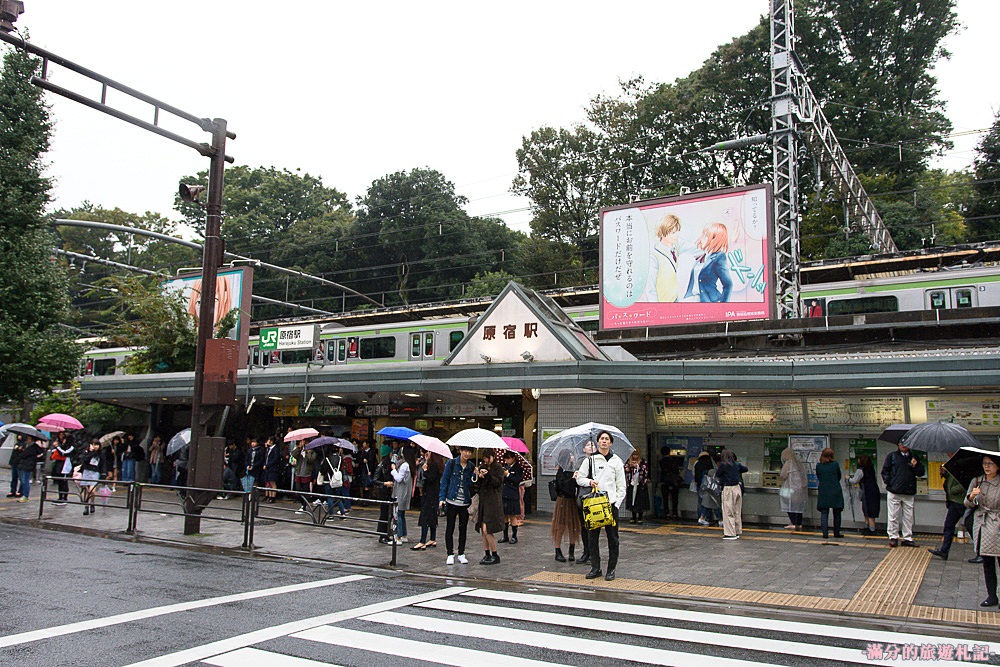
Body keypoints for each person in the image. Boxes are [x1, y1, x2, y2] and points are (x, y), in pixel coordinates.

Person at [576, 431, 627, 581]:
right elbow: (580, 478)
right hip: (594, 504)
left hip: (610, 504)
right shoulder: (590, 460)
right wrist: (589, 482)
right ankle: (595, 568)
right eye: (601, 439)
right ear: (598, 442)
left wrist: (616, 504)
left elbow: (621, 486)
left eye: (607, 439)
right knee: (593, 537)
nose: (604, 441)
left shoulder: (616, 461)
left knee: (613, 538)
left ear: (611, 443)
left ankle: (611, 569)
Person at [965, 453, 1000, 607]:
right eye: (985, 463)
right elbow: (967, 503)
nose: (987, 466)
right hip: (982, 524)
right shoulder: (977, 481)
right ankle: (992, 596)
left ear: (998, 466)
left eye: (990, 463)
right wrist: (972, 496)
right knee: (987, 563)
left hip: (997, 523)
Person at [881, 439, 925, 547]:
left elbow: (920, 473)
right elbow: (885, 471)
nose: (903, 445)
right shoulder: (892, 456)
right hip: (894, 491)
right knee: (893, 515)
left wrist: (916, 465)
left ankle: (907, 537)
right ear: (898, 445)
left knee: (908, 516)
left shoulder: (914, 457)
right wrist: (890, 482)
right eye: (901, 443)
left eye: (906, 443)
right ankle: (893, 537)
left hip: (908, 491)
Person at [929, 454, 970, 561]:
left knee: (969, 527)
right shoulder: (953, 465)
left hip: (960, 502)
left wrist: (952, 491)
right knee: (949, 526)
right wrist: (945, 474)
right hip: (953, 501)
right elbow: (952, 480)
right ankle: (944, 551)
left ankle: (981, 553)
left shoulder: (964, 466)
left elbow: (964, 484)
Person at [439, 445, 475, 564]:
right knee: (450, 528)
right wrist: (442, 498)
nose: (467, 454)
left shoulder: (471, 467)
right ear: (460, 451)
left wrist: (475, 476)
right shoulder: (451, 463)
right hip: (451, 500)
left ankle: (461, 553)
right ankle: (450, 553)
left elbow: (471, 485)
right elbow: (445, 481)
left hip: (464, 502)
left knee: (463, 529)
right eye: (465, 451)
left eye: (469, 451)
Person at [684, 222, 733, 303]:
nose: (703, 237)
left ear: (715, 239)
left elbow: (728, 284)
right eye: (704, 234)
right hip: (693, 298)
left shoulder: (719, 256)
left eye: (707, 235)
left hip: (709, 300)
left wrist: (723, 306)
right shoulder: (702, 255)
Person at [475, 451, 505, 564]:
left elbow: (497, 483)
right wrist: (478, 476)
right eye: (485, 458)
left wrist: (488, 475)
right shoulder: (482, 466)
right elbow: (476, 485)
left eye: (488, 458)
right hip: (483, 501)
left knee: (487, 529)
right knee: (483, 529)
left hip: (493, 502)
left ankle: (495, 554)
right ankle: (487, 553)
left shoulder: (498, 468)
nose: (486, 460)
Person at [551, 449, 581, 562]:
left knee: (573, 526)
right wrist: (573, 480)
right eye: (571, 455)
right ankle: (557, 551)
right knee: (560, 526)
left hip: (572, 500)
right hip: (563, 501)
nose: (573, 457)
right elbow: (563, 486)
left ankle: (571, 551)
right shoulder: (561, 471)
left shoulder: (574, 469)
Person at [412, 450, 443, 550]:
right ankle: (432, 538)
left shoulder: (433, 466)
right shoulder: (438, 465)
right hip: (434, 494)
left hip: (429, 494)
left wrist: (425, 470)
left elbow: (430, 478)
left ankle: (422, 540)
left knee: (425, 517)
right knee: (432, 516)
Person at [648, 214, 682, 302]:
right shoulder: (654, 256)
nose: (676, 235)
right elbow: (650, 287)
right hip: (663, 303)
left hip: (676, 300)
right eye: (673, 233)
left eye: (677, 231)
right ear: (662, 233)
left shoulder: (675, 248)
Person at [575, 439, 598, 566]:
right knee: (583, 526)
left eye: (593, 445)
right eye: (588, 445)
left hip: (595, 497)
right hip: (582, 497)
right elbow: (577, 480)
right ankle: (586, 552)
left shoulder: (599, 461)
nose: (591, 447)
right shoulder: (580, 461)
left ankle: (593, 554)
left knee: (593, 527)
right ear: (584, 449)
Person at [716, 449, 747, 540]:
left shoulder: (723, 465)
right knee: (737, 511)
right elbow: (745, 469)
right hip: (737, 488)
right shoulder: (737, 465)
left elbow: (718, 474)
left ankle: (730, 533)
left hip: (728, 489)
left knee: (728, 511)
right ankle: (737, 531)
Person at [815, 447, 844, 539]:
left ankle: (825, 533)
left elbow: (819, 477)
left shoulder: (819, 466)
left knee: (824, 513)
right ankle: (836, 532)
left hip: (823, 490)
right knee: (837, 513)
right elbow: (839, 476)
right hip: (835, 490)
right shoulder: (835, 465)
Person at [848, 454, 880, 535]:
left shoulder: (860, 470)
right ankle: (869, 527)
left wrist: (848, 478)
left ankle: (871, 529)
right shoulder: (871, 469)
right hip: (874, 490)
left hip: (866, 492)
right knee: (870, 510)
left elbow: (854, 480)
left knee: (867, 510)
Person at [779, 447, 808, 531]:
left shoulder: (788, 463)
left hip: (790, 489)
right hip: (800, 489)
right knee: (798, 507)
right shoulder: (799, 463)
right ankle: (799, 523)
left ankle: (793, 522)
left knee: (790, 506)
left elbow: (783, 475)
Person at [388, 449, 412, 545]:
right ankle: (403, 535)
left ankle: (398, 537)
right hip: (405, 492)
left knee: (398, 515)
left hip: (401, 492)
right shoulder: (409, 464)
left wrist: (393, 469)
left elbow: (398, 478)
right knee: (401, 514)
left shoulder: (404, 465)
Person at [499, 450, 523, 544]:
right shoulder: (505, 467)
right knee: (504, 516)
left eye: (508, 458)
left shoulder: (518, 468)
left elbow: (517, 480)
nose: (506, 460)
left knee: (513, 516)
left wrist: (508, 474)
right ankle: (505, 536)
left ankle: (514, 536)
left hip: (512, 494)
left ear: (513, 458)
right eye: (505, 458)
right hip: (504, 494)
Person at [13, 437, 46, 502]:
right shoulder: (27, 446)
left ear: (32, 440)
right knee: (22, 480)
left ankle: (25, 495)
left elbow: (24, 455)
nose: (27, 440)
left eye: (28, 439)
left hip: (27, 465)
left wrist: (22, 451)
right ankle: (23, 494)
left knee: (25, 481)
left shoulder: (33, 448)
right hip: (22, 465)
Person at [79, 439, 106, 515]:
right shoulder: (87, 452)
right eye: (93, 444)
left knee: (92, 490)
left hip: (95, 472)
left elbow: (103, 464)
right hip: (87, 471)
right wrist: (91, 452)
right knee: (86, 490)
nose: (95, 446)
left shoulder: (101, 454)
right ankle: (86, 507)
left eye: (96, 445)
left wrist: (103, 473)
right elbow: (85, 460)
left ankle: (92, 503)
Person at [624, 451, 650, 524]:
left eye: (636, 455)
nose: (635, 456)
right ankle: (633, 516)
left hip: (640, 484)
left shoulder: (643, 462)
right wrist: (629, 467)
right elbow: (625, 470)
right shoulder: (629, 462)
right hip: (631, 484)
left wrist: (638, 467)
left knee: (640, 501)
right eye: (633, 455)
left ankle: (640, 517)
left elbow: (645, 472)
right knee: (632, 501)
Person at [49, 432, 75, 505]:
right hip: (59, 464)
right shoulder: (61, 446)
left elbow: (64, 453)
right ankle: (60, 497)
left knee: (64, 481)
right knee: (60, 481)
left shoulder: (71, 447)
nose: (63, 440)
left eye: (64, 439)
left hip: (65, 465)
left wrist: (58, 447)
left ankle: (65, 498)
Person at [658, 447, 683, 520]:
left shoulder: (661, 461)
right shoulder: (674, 460)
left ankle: (667, 513)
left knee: (665, 498)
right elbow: (677, 470)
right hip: (674, 482)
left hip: (665, 482)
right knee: (674, 498)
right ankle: (675, 513)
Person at [693, 450, 715, 526]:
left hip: (699, 485)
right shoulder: (709, 464)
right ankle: (707, 517)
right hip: (708, 486)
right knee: (707, 501)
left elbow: (695, 475)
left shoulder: (697, 464)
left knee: (700, 502)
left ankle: (700, 516)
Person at [262, 436, 281, 503]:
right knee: (268, 482)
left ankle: (273, 496)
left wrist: (267, 465)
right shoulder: (268, 449)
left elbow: (275, 459)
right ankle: (269, 496)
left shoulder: (275, 449)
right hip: (267, 468)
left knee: (273, 482)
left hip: (273, 468)